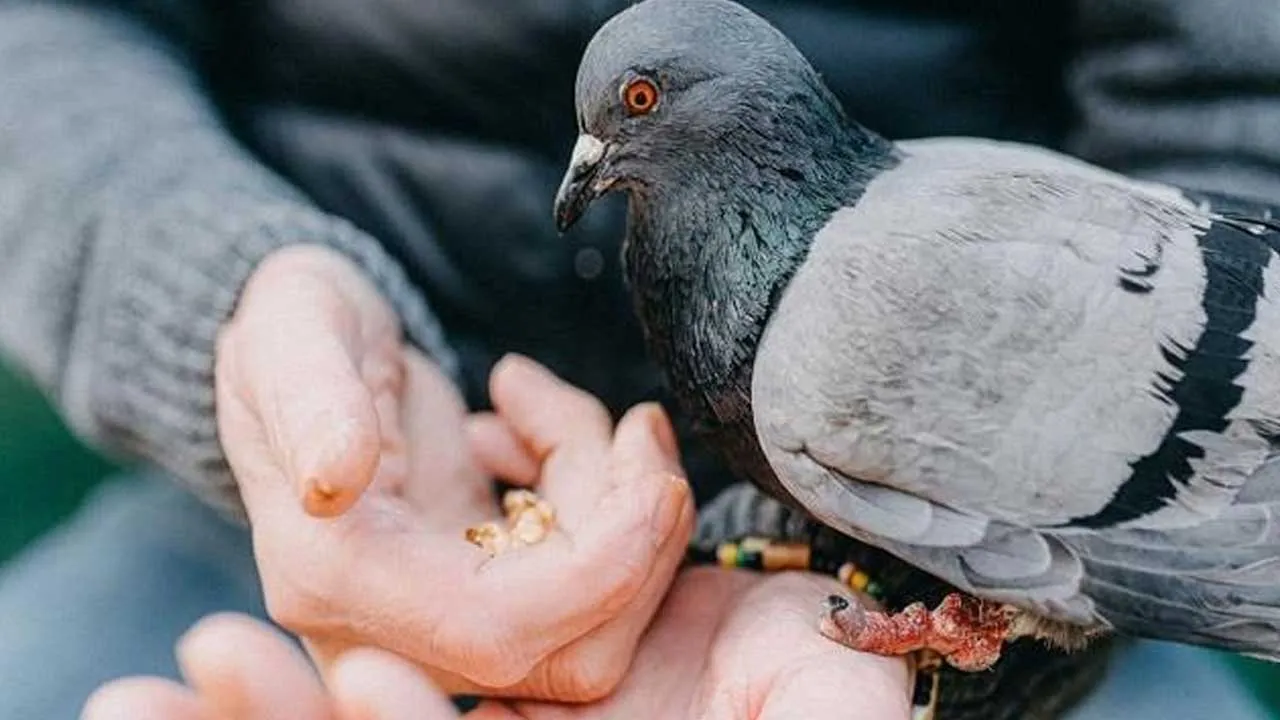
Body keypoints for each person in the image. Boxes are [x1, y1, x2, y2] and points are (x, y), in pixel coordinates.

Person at [0, 0, 1273, 718]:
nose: (594, 155)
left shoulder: (831, 356)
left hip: (1043, 518)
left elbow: (1226, 109)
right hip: (333, 479)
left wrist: (970, 641)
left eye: (633, 116)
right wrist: (232, 293)